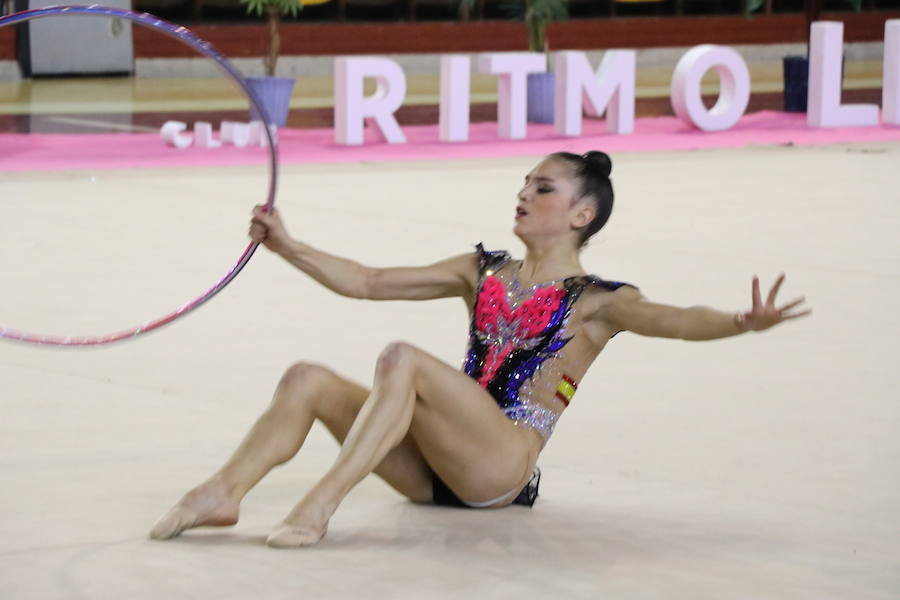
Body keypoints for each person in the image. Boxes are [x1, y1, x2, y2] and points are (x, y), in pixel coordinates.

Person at [149, 151, 810, 548]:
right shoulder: (482, 269)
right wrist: (287, 245)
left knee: (402, 359)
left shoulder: (598, 300)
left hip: (498, 471)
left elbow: (677, 319)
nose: (523, 194)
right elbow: (368, 281)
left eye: (543, 188)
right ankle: (222, 493)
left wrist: (740, 321)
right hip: (434, 470)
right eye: (524, 183)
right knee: (306, 379)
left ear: (583, 215)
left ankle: (319, 506)